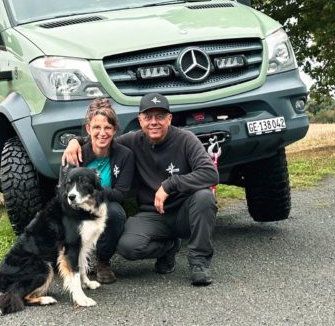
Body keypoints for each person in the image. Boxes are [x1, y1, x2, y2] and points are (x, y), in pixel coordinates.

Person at [62, 93, 218, 286]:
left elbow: (211, 174)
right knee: (128, 247)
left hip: (185, 212)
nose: (154, 122)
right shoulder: (132, 141)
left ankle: (199, 263)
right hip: (152, 215)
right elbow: (103, 137)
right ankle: (168, 246)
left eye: (160, 116)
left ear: (170, 118)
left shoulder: (186, 139)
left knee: (204, 197)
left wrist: (170, 185)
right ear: (140, 120)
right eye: (148, 117)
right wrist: (75, 141)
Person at [65, 98, 134, 284]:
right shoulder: (75, 154)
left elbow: (120, 194)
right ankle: (72, 261)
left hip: (104, 205)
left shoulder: (125, 155)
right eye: (97, 127)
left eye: (107, 128)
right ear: (88, 129)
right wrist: (74, 141)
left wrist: (91, 192)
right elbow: (64, 193)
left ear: (115, 130)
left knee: (116, 212)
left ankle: (103, 261)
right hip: (76, 205)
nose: (102, 133)